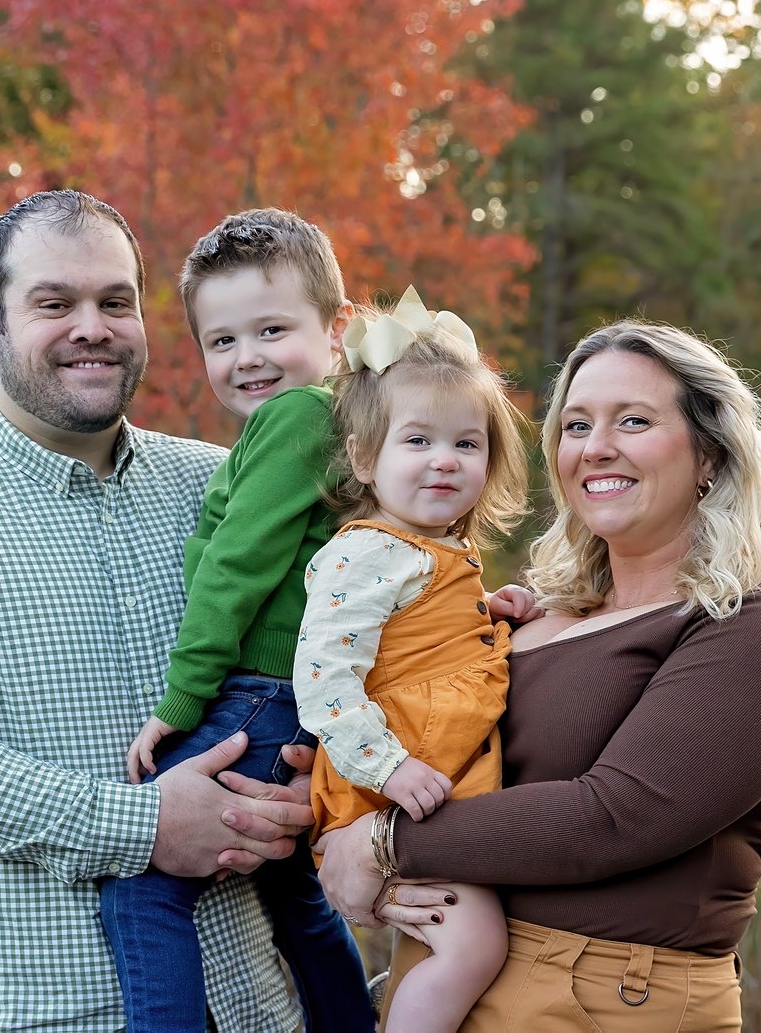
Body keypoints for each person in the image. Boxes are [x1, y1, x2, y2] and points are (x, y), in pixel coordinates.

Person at [0, 189, 317, 1032]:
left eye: (116, 302)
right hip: (41, 1013)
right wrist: (142, 826)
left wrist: (315, 789)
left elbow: (342, 636)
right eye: (54, 304)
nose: (93, 327)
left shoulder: (223, 484)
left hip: (257, 1006)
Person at [317, 320, 761, 1032]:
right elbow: (424, 729)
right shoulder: (532, 614)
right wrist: (316, 800)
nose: (596, 448)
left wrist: (385, 844)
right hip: (449, 973)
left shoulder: (760, 629)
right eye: (576, 425)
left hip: (602, 997)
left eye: (634, 421)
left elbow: (614, 819)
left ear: (710, 453)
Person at [100, 207, 371, 1032]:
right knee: (296, 897)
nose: (247, 356)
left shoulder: (296, 417)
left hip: (256, 693)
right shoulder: (333, 421)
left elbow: (235, 570)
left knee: (141, 891)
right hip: (297, 698)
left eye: (272, 329)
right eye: (222, 340)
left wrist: (181, 701)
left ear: (337, 328)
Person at [295, 288, 538, 1033]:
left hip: (421, 783)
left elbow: (416, 636)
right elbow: (326, 677)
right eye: (418, 440)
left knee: (457, 942)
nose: (444, 461)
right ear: (364, 458)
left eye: (466, 444)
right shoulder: (364, 553)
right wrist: (388, 768)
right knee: (474, 946)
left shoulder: (430, 552)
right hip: (388, 787)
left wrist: (486, 611)